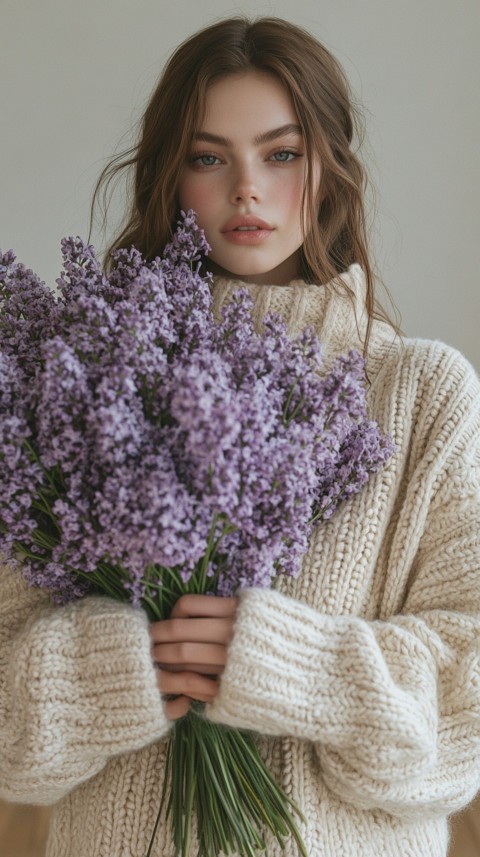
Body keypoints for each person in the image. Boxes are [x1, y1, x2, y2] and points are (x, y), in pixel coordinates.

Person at [1, 15, 479, 857]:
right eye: (208, 155)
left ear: (330, 167)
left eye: (281, 153)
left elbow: (467, 710)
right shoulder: (65, 390)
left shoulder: (423, 394)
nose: (246, 188)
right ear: (170, 174)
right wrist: (120, 667)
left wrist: (293, 665)